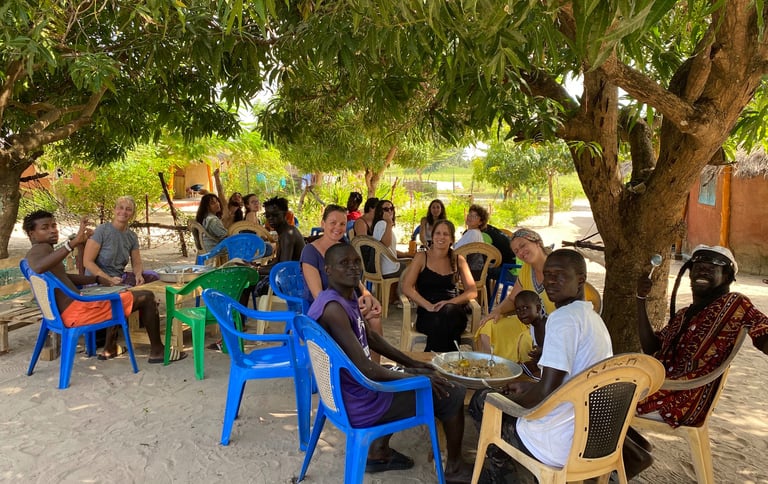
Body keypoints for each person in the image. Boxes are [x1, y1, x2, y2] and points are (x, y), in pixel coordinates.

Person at [307, 243, 473, 483]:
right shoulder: (333, 308)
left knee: (410, 371)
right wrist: (418, 377)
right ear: (328, 270)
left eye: (356, 262)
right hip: (360, 400)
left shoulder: (342, 295)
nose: (354, 268)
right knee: (452, 392)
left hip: (348, 391)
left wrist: (411, 362)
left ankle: (378, 451)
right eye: (344, 264)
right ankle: (455, 467)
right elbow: (367, 369)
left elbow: (370, 337)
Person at [468, 249, 612, 478]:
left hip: (558, 442)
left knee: (483, 400)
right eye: (547, 275)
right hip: (591, 434)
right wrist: (530, 387)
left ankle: (505, 476)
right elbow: (559, 383)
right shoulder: (594, 319)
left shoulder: (561, 319)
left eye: (560, 274)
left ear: (581, 280)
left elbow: (547, 390)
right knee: (507, 395)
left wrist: (508, 401)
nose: (550, 281)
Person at [627, 244, 768, 477]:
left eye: (712, 268)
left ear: (727, 277)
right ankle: (633, 453)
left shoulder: (735, 304)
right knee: (594, 394)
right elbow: (652, 347)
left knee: (595, 400)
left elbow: (763, 334)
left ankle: (631, 459)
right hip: (661, 387)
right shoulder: (684, 314)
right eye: (698, 267)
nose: (702, 271)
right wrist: (641, 299)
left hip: (683, 397)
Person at [23, 210, 186, 363]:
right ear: (32, 234)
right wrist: (72, 243)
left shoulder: (44, 251)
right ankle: (158, 351)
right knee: (147, 297)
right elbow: (38, 266)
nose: (52, 230)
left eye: (54, 226)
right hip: (77, 313)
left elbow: (63, 278)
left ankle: (110, 348)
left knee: (117, 292)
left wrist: (97, 279)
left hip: (67, 311)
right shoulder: (39, 250)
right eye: (45, 228)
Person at [301, 204, 384, 361]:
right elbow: (319, 296)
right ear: (323, 223)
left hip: (350, 305)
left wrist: (367, 295)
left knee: (375, 317)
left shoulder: (344, 247)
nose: (338, 228)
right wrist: (355, 312)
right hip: (328, 312)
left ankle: (374, 370)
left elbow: (356, 282)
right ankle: (361, 371)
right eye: (333, 222)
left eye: (342, 224)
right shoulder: (310, 252)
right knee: (368, 319)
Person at [476, 228, 554, 360]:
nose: (521, 252)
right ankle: (494, 372)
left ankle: (521, 374)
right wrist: (497, 311)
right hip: (528, 322)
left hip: (553, 327)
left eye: (523, 245)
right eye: (516, 251)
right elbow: (512, 299)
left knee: (526, 341)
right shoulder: (526, 269)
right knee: (488, 326)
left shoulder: (557, 266)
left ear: (537, 242)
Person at [401, 220, 477, 352]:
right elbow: (407, 287)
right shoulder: (421, 257)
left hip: (454, 311)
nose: (441, 237)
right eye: (438, 233)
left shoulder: (459, 260)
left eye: (445, 234)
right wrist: (428, 306)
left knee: (448, 313)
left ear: (452, 239)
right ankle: (449, 363)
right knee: (444, 324)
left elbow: (472, 291)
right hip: (428, 313)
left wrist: (449, 302)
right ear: (433, 236)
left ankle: (431, 360)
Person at [82, 196, 159, 287]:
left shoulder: (132, 236)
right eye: (120, 208)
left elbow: (137, 262)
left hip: (119, 278)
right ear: (114, 210)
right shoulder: (101, 231)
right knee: (130, 294)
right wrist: (108, 279)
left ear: (133, 214)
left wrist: (138, 275)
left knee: (154, 276)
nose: (124, 212)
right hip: (97, 280)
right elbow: (87, 262)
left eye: (128, 209)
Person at [371, 199, 410, 278]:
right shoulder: (382, 224)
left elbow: (389, 250)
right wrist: (389, 223)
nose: (390, 211)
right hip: (389, 269)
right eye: (386, 209)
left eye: (391, 208)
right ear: (380, 212)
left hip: (387, 267)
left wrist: (406, 254)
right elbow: (385, 244)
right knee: (416, 267)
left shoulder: (381, 224)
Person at [513, 290, 547, 378]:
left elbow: (558, 352)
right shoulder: (533, 327)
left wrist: (542, 351)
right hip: (540, 366)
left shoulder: (548, 325)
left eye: (525, 308)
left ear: (538, 308)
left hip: (552, 372)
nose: (521, 312)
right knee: (514, 370)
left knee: (525, 380)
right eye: (518, 310)